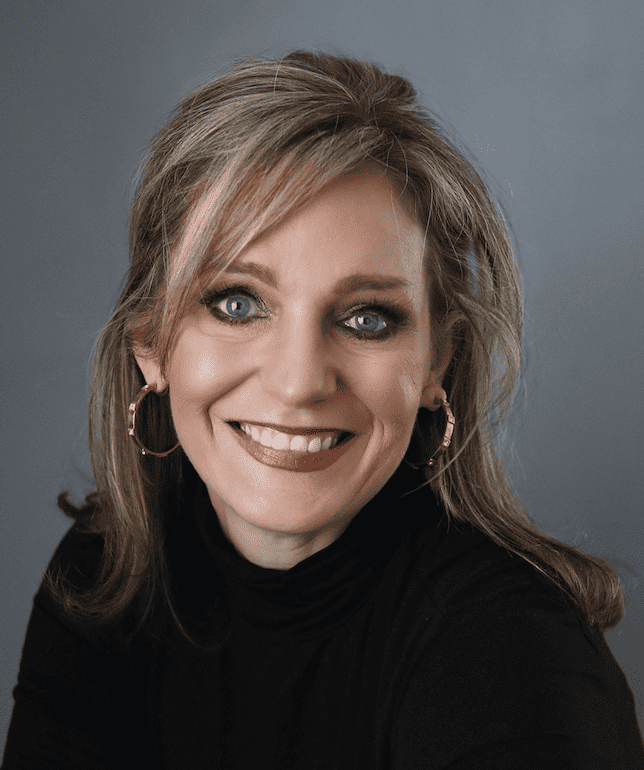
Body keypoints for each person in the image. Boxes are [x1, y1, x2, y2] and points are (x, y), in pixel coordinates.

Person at [3, 51, 643, 770]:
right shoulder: (107, 571)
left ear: (438, 364)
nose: (299, 382)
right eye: (237, 302)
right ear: (151, 344)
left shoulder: (514, 653)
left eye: (368, 318)